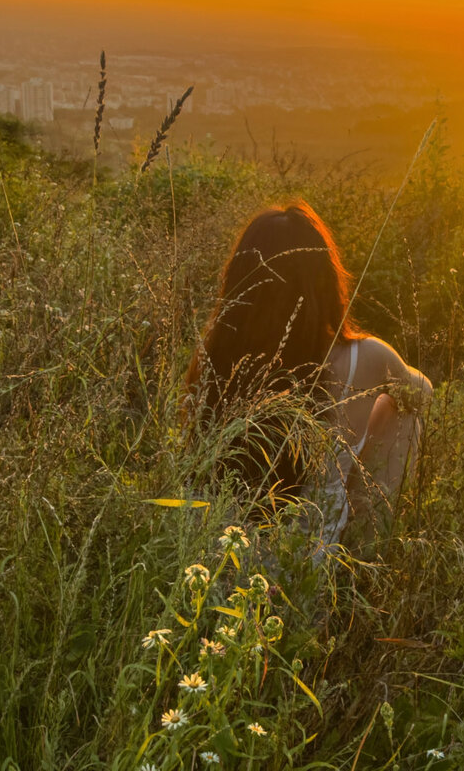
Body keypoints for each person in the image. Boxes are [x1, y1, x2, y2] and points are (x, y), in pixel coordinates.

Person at [184, 201, 431, 551]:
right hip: (303, 584)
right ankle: (366, 544)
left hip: (215, 573)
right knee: (404, 412)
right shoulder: (365, 358)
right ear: (325, 282)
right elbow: (423, 394)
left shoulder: (218, 356)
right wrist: (368, 430)